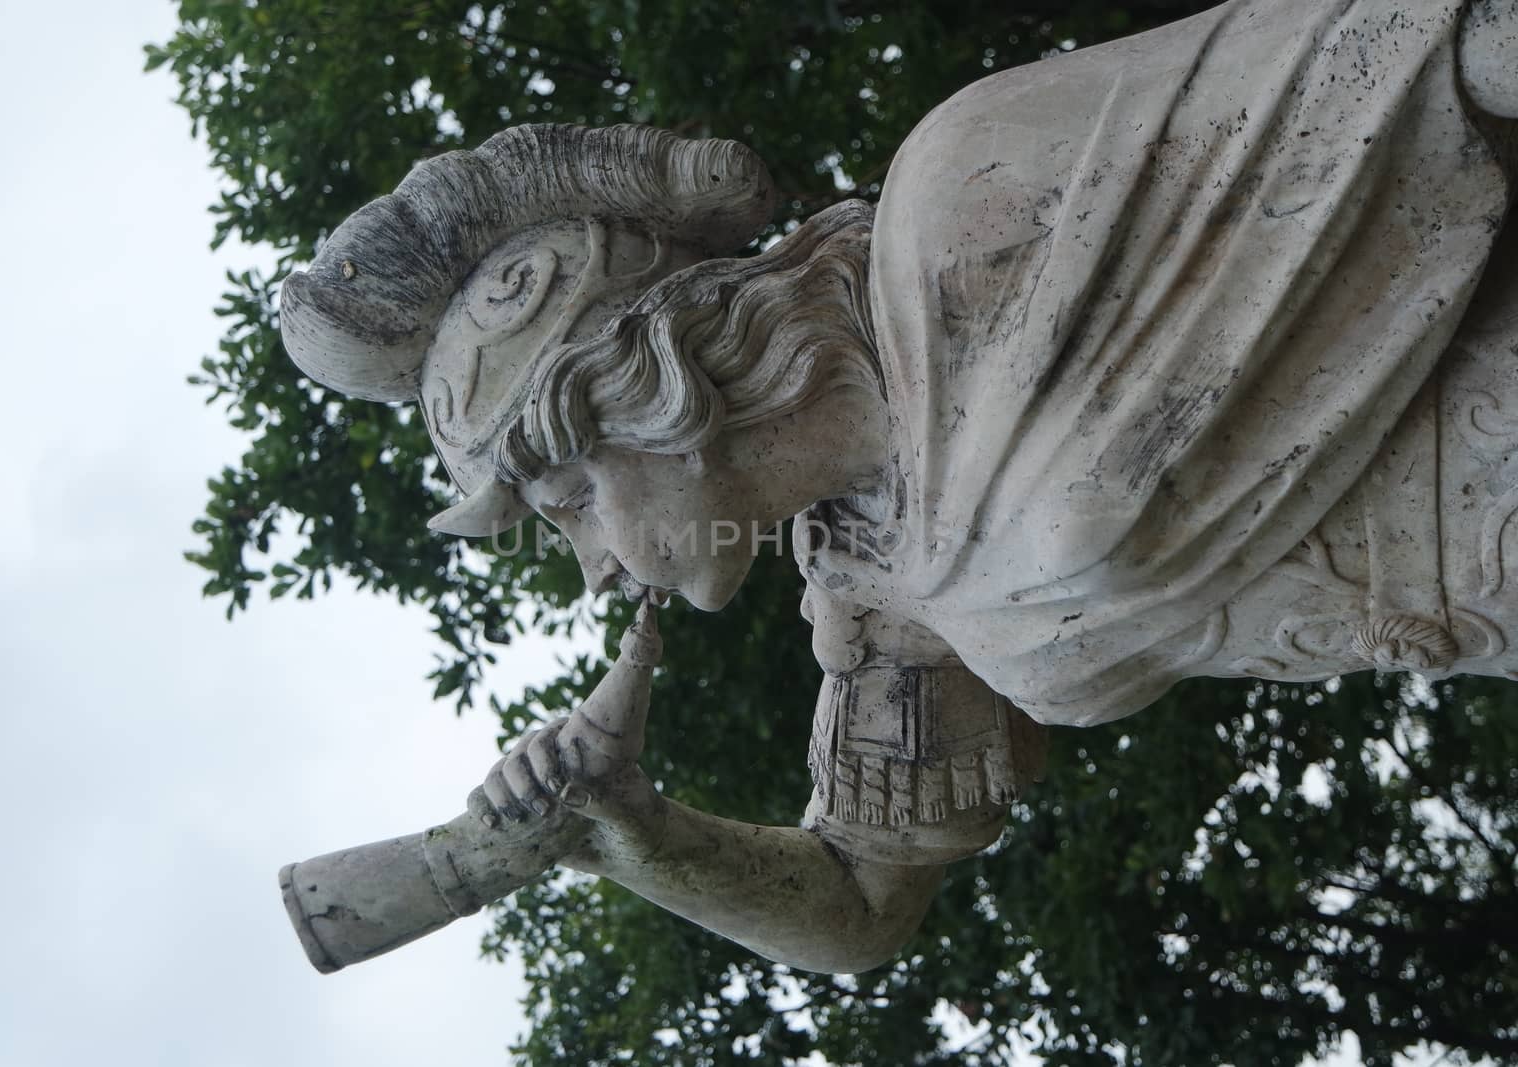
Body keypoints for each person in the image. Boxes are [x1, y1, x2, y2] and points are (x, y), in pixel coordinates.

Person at [278, 0, 1518, 972]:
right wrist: (630, 832)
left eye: (564, 508)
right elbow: (860, 901)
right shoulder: (877, 592)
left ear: (637, 384)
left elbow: (1423, 55)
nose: (594, 562)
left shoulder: (959, 206)